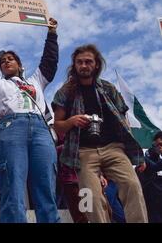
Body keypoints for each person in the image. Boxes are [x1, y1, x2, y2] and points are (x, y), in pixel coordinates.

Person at [0, 11, 60, 223]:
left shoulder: (35, 80)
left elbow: (49, 62)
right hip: (12, 129)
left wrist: (52, 34)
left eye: (11, 59)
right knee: (12, 186)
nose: (6, 62)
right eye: (3, 60)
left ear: (20, 65)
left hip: (41, 130)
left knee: (45, 187)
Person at [52, 44, 148, 223]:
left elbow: (124, 120)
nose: (84, 65)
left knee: (133, 185)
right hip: (83, 152)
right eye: (79, 62)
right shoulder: (65, 92)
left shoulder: (108, 88)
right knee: (90, 198)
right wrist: (72, 121)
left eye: (88, 62)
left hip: (114, 148)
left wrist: (136, 154)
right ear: (74, 65)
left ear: (96, 65)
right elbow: (58, 126)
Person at [140, 132, 162, 223]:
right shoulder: (149, 154)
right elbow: (154, 167)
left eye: (161, 144)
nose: (159, 147)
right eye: (156, 144)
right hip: (151, 200)